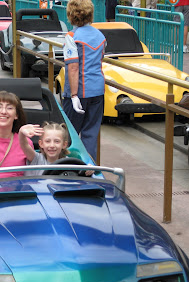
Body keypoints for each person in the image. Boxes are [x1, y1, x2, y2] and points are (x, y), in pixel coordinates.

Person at [62, 0, 106, 162]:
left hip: (78, 92)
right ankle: (89, 169)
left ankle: (69, 168)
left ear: (71, 15)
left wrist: (73, 95)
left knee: (69, 135)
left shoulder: (72, 37)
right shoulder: (100, 35)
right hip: (98, 90)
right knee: (90, 134)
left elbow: (73, 68)